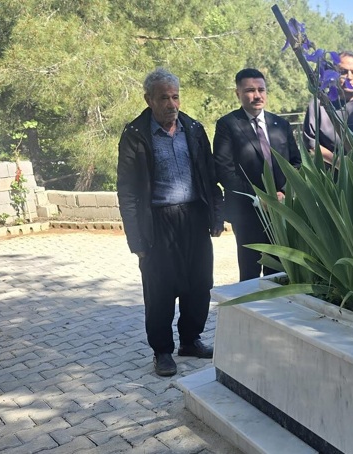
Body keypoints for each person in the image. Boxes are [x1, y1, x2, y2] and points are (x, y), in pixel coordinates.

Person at [117, 68, 224, 377]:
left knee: (199, 284)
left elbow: (209, 176)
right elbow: (127, 191)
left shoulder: (194, 128)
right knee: (160, 289)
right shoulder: (135, 135)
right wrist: (136, 239)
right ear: (148, 100)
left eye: (175, 97)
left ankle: (190, 340)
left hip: (194, 217)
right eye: (164, 98)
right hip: (158, 222)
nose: (171, 104)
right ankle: (162, 351)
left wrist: (216, 216)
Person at [214, 68, 301, 281]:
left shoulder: (281, 124)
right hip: (247, 212)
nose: (257, 95)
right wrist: (259, 197)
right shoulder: (227, 125)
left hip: (281, 210)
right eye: (250, 90)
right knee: (250, 274)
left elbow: (296, 164)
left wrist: (283, 192)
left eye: (261, 89)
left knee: (280, 273)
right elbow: (225, 170)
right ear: (238, 93)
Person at [302, 51, 353, 165]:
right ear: (333, 72)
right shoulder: (319, 104)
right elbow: (311, 144)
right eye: (343, 72)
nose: (349, 77)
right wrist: (341, 164)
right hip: (330, 172)